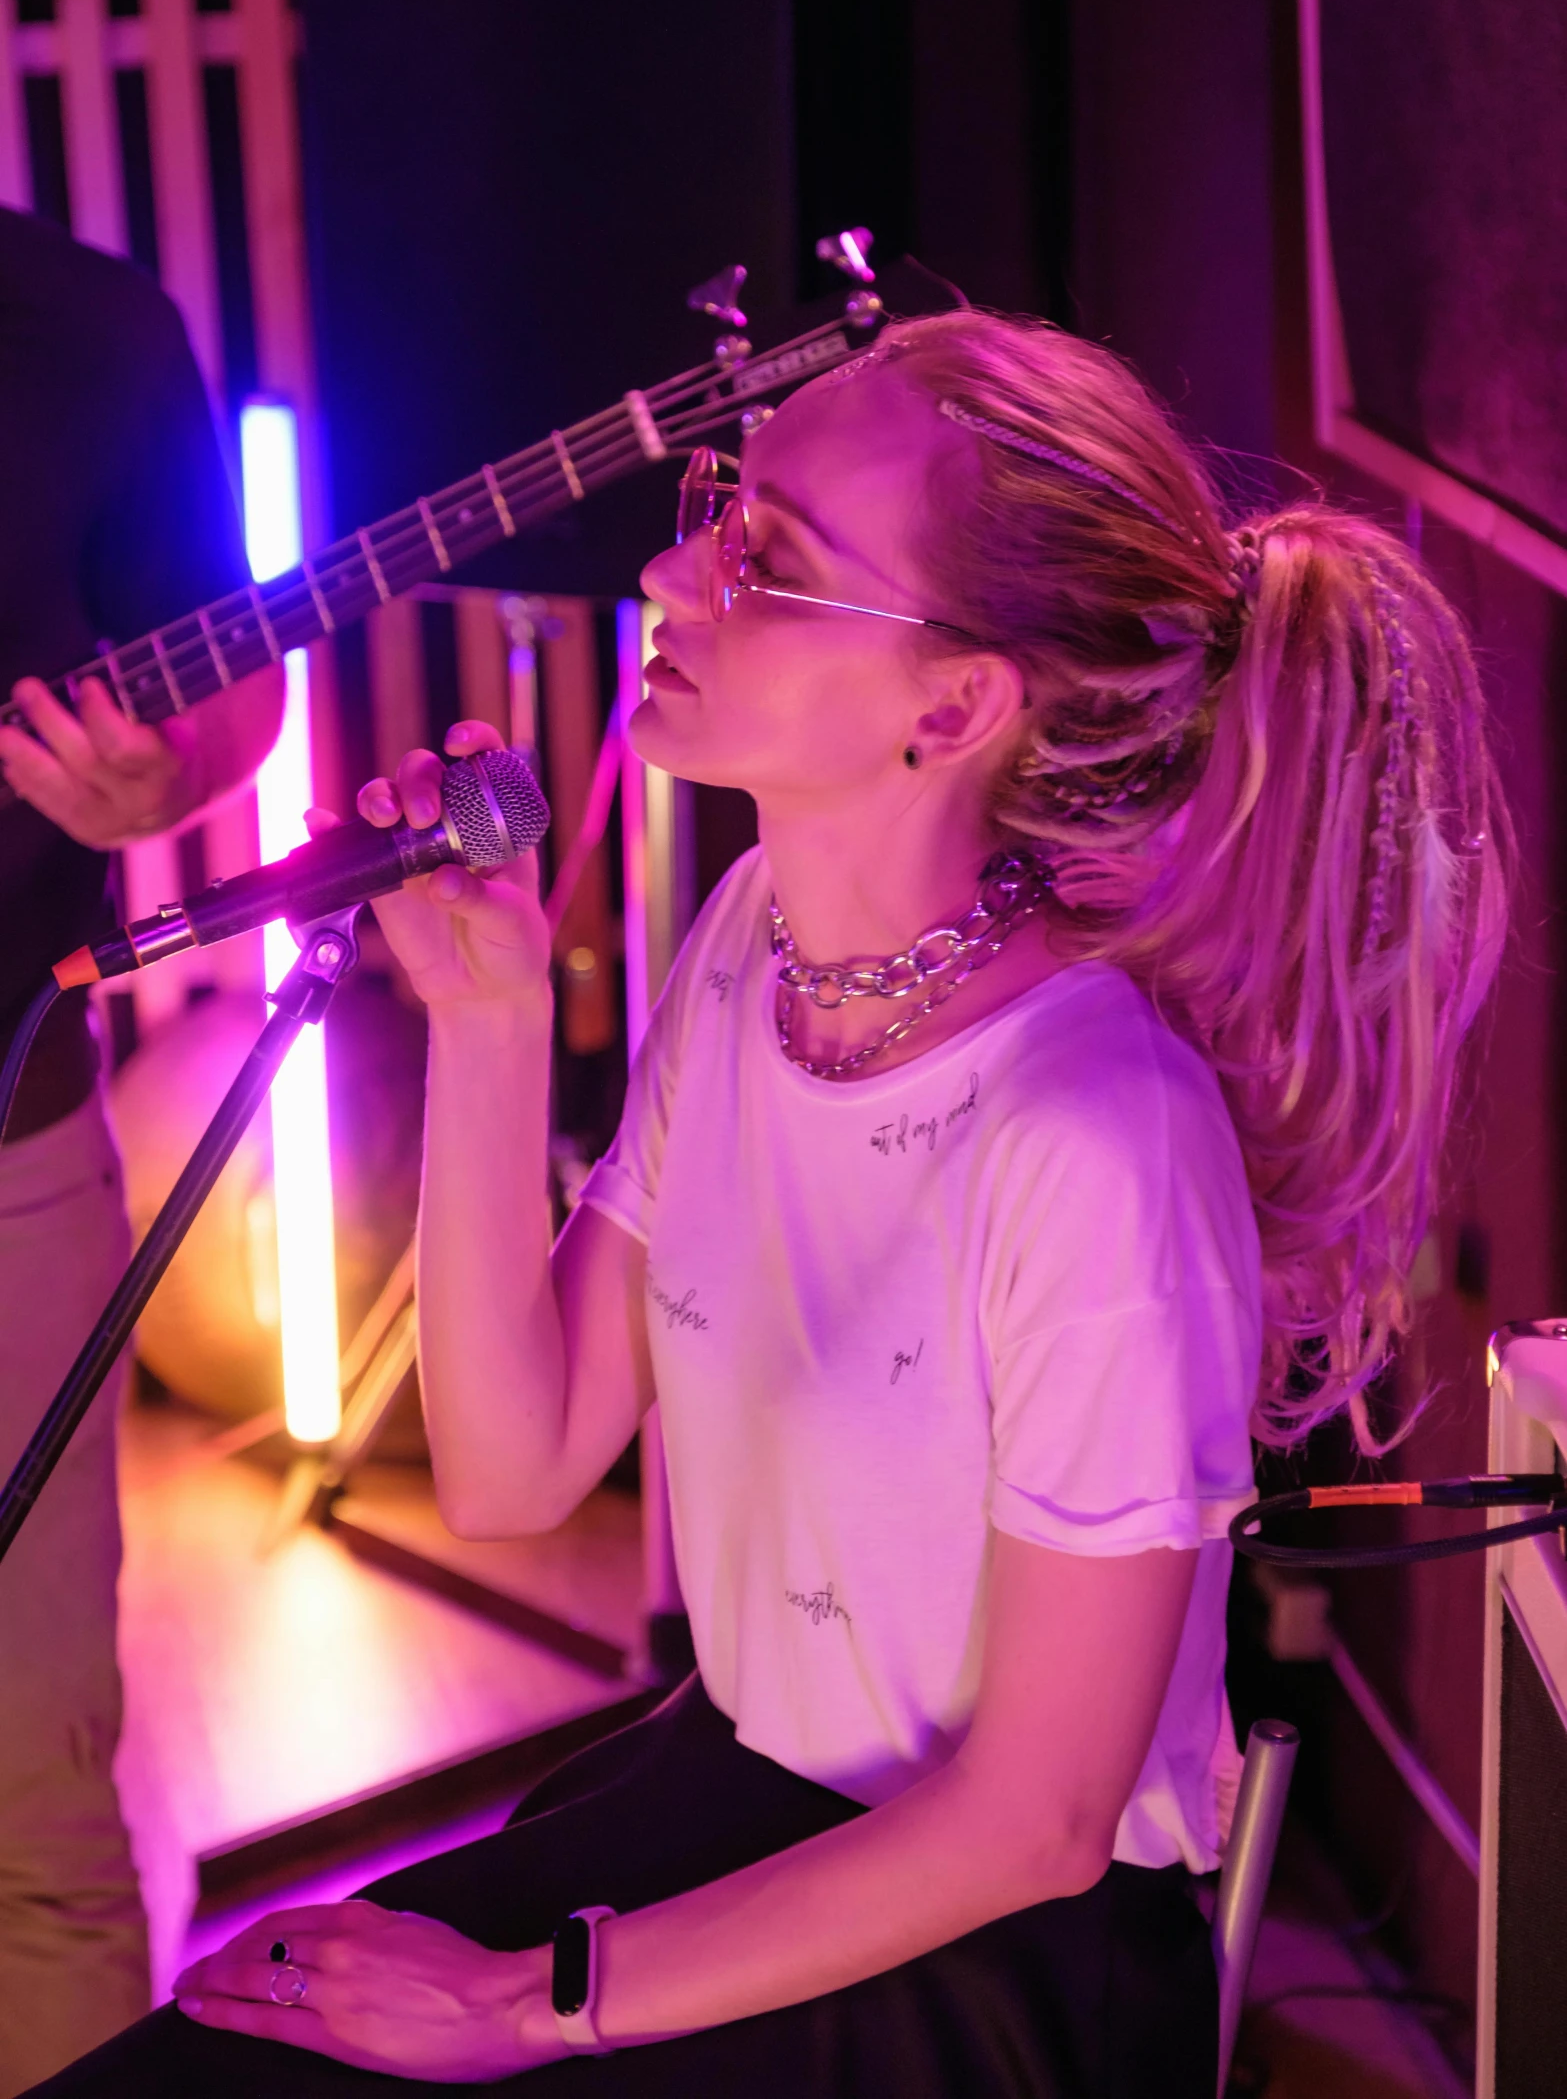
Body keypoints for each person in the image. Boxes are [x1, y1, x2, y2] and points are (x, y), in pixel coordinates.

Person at [30, 309, 1507, 2097]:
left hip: (984, 1975)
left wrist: (516, 2005)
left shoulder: (1097, 1137)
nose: (670, 565)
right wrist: (491, 1026)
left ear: (953, 704)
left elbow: (1036, 1819)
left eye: (767, 556)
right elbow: (512, 1470)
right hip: (737, 1809)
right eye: (721, 507)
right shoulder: (752, 945)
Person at [0, 205, 284, 2097]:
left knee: (34, 1804)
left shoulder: (84, 322)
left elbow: (235, 678)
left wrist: (160, 780)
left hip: (9, 1148)